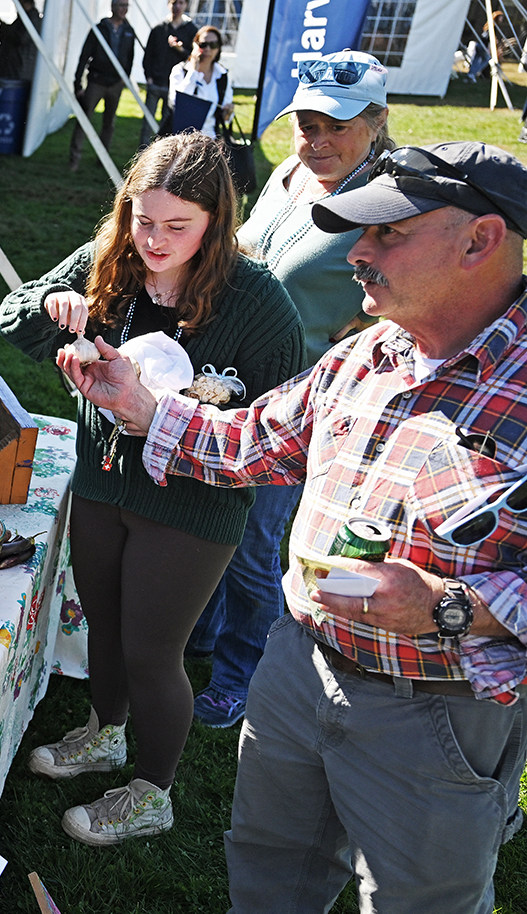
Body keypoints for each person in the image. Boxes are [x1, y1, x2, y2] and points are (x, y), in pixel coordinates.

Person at [56, 141, 527, 914]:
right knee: (267, 883)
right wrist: (138, 403)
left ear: (479, 240)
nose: (360, 254)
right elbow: (249, 443)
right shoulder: (367, 354)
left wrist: (449, 607)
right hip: (298, 670)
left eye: (387, 235)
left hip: (433, 715)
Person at [0, 133, 304, 845]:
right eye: (143, 220)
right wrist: (55, 306)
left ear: (215, 223)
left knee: (151, 651)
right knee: (101, 621)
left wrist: (198, 402)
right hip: (106, 479)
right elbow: (15, 312)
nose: (155, 241)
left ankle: (152, 790)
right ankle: (106, 733)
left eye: (178, 226)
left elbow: (276, 429)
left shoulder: (258, 302)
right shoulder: (112, 260)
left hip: (192, 505)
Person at [187, 49, 393, 729]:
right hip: (231, 391)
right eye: (307, 123)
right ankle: (207, 632)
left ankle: (247, 671)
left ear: (376, 122)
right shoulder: (288, 173)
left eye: (337, 126)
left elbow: (394, 315)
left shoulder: (387, 207)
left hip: (301, 409)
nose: (318, 141)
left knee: (254, 547)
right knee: (216, 519)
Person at [69, 0, 135, 172]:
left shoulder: (129, 31)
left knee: (109, 123)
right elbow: (84, 56)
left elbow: (130, 57)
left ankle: (102, 160)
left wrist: (124, 78)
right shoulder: (99, 28)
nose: (124, 9)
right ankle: (74, 160)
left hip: (115, 84)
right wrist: (78, 83)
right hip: (97, 81)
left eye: (126, 5)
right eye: (121, 5)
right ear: (112, 6)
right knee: (84, 120)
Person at [141, 0, 197, 146]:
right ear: (168, 4)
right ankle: (142, 157)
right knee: (147, 124)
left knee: (167, 127)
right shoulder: (159, 28)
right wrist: (149, 77)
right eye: (174, 3)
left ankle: (163, 158)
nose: (177, 6)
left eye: (181, 3)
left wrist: (180, 50)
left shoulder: (191, 30)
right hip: (156, 83)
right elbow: (148, 55)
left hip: (175, 88)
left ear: (186, 5)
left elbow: (194, 58)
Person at [167, 26, 233, 137]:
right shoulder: (181, 70)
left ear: (218, 48)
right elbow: (176, 103)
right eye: (203, 45)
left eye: (213, 45)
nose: (208, 49)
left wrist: (228, 112)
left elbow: (225, 118)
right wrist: (193, 72)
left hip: (210, 139)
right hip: (181, 138)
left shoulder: (222, 75)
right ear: (195, 45)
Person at [0, 0, 44, 82]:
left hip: (18, 71)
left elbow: (22, 38)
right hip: (14, 69)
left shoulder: (31, 19)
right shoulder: (24, 18)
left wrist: (5, 29)